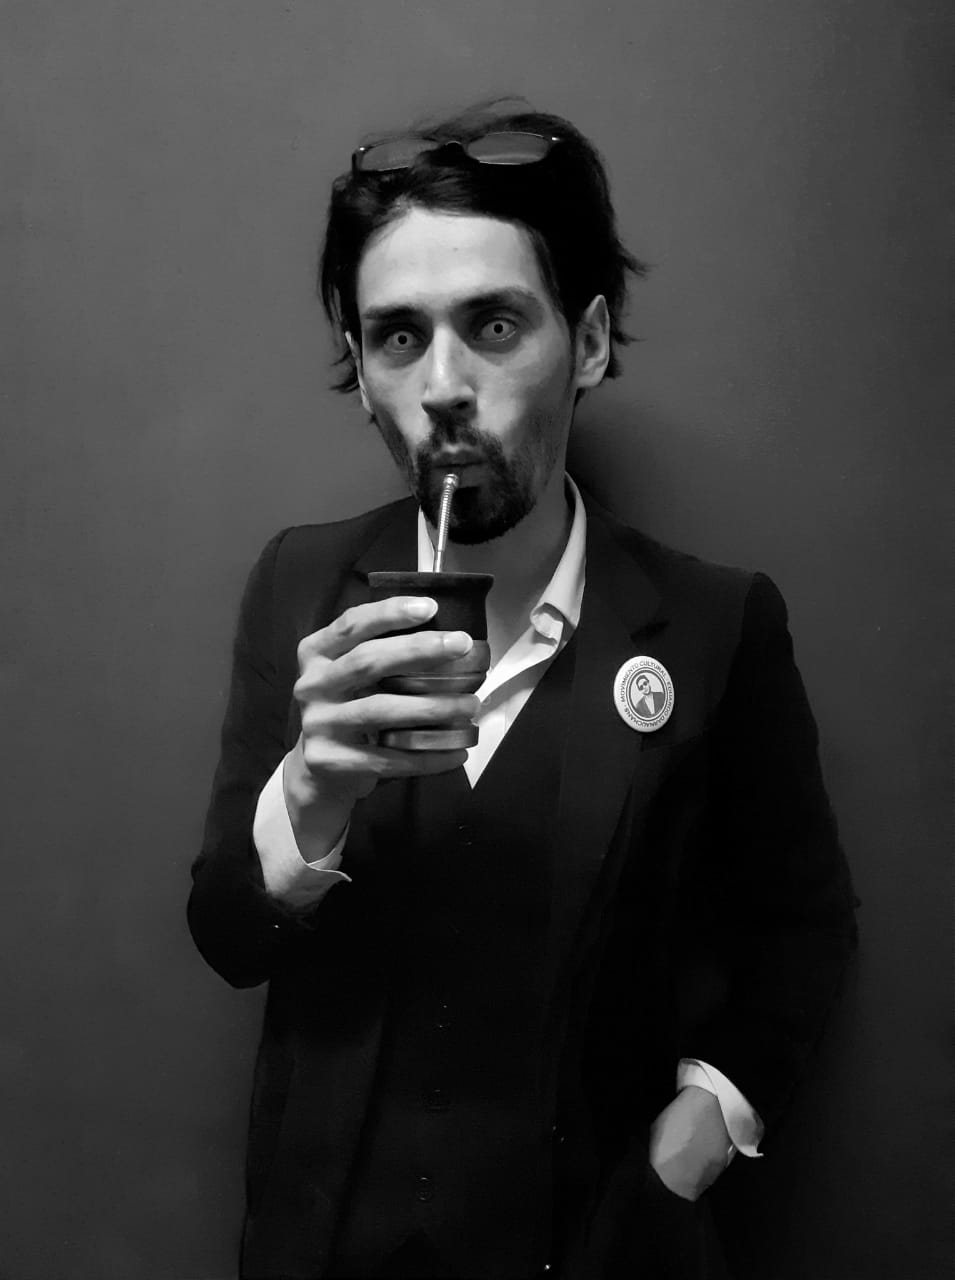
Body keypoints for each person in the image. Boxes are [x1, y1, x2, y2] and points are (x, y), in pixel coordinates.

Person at [187, 103, 857, 1280]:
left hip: (597, 1245)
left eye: (493, 324)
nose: (444, 384)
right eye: (398, 337)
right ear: (363, 378)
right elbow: (229, 935)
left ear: (586, 342)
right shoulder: (301, 586)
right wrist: (308, 796)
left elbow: (799, 928)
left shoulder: (713, 624)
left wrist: (699, 1131)